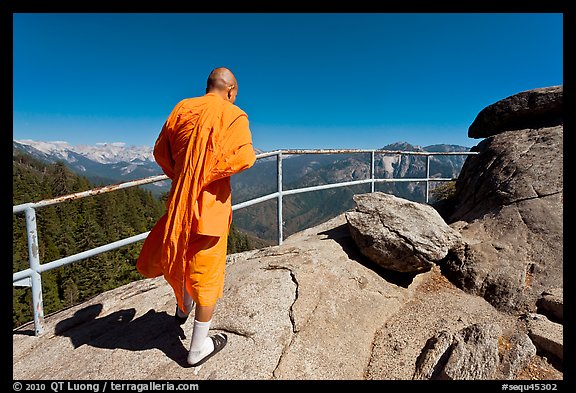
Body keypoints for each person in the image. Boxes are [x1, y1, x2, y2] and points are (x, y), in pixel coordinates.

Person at [136, 67, 256, 367]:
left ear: (208, 87)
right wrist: (206, 174)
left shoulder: (182, 108)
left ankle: (181, 307)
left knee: (180, 255)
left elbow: (160, 152)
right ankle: (196, 349)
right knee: (207, 274)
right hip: (210, 208)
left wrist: (184, 176)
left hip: (180, 202)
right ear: (231, 91)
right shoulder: (235, 115)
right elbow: (244, 158)